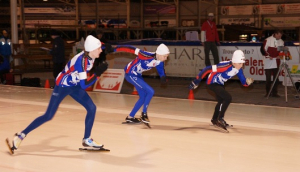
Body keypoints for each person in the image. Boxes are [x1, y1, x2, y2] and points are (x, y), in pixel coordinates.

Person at [6, 35, 108, 154]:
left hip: (74, 85)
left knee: (92, 108)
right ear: (92, 49)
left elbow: (101, 47)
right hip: (62, 86)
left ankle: (87, 139)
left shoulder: (91, 53)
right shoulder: (81, 62)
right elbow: (85, 85)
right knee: (48, 115)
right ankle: (20, 136)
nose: (101, 50)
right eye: (99, 48)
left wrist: (110, 47)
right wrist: (97, 73)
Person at [189, 50, 254, 131]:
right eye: (240, 63)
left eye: (242, 63)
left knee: (221, 100)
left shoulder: (239, 69)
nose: (241, 65)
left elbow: (243, 82)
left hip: (220, 83)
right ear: (234, 62)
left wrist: (247, 83)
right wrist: (196, 81)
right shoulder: (225, 65)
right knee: (227, 98)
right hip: (212, 82)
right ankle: (220, 118)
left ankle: (215, 119)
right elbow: (206, 69)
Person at [114, 44, 169, 125]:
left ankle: (130, 117)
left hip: (137, 75)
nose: (166, 59)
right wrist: (114, 49)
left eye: (167, 56)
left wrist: (163, 77)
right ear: (159, 54)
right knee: (150, 91)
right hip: (130, 73)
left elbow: (161, 70)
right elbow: (130, 49)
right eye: (165, 56)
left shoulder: (160, 62)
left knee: (143, 97)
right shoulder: (146, 55)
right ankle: (144, 114)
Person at [262, 30, 284, 97]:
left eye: (281, 35)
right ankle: (268, 93)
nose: (280, 37)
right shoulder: (267, 40)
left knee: (276, 78)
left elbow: (281, 51)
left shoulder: (281, 41)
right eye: (278, 35)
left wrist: (280, 55)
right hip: (268, 61)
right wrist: (268, 56)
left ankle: (275, 93)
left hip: (276, 61)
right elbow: (263, 49)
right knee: (268, 78)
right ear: (275, 34)